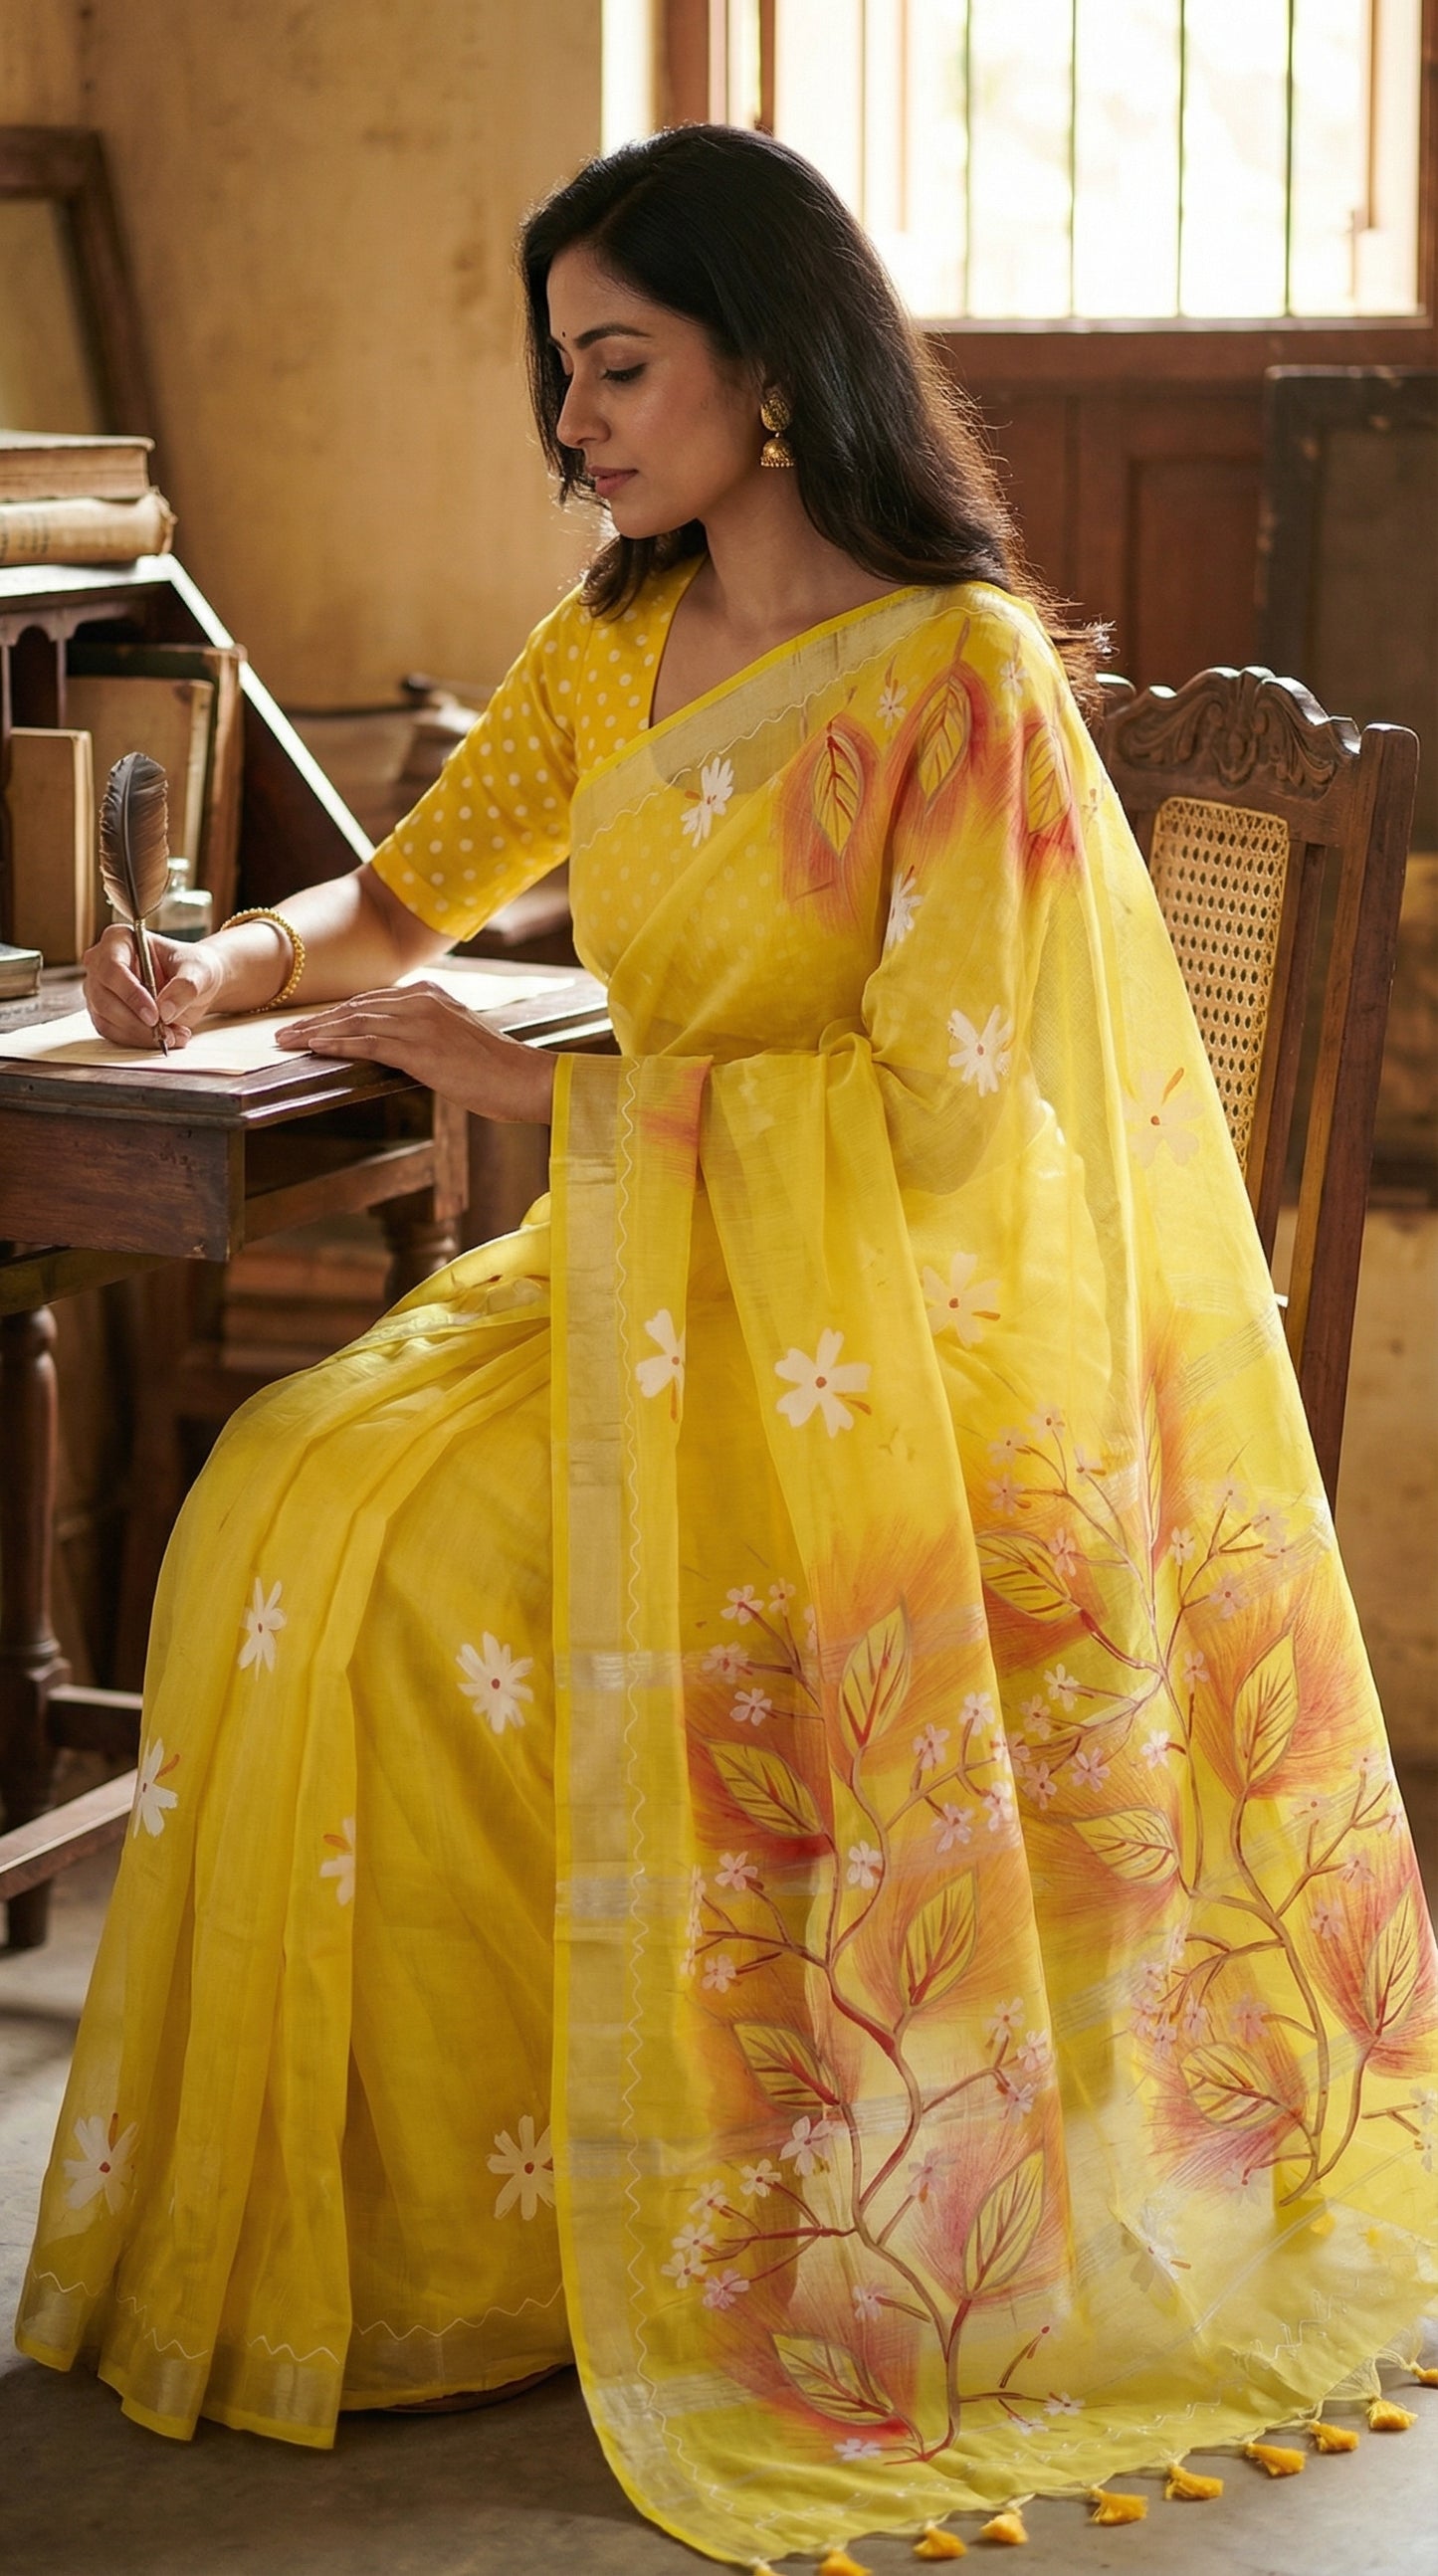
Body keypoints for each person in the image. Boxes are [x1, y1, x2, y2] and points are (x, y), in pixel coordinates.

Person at [18, 125, 1437, 2571]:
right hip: (644, 1282)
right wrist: (211, 964)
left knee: (416, 1570)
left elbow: (945, 1113)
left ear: (769, 366)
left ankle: (581, 2220)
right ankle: (390, 2229)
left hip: (877, 1342)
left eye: (617, 366)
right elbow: (401, 901)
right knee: (291, 1481)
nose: (572, 420)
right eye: (559, 372)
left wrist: (535, 1089)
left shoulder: (960, 679)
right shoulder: (614, 638)